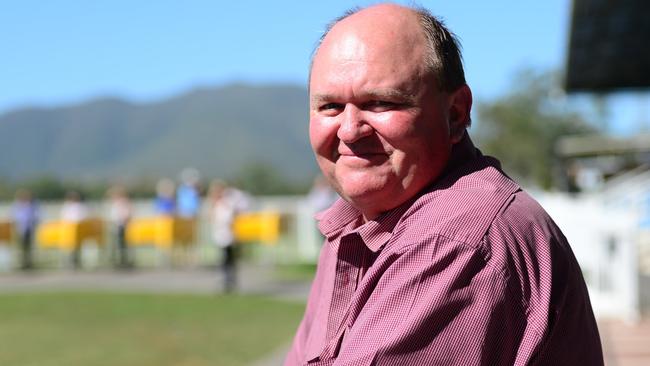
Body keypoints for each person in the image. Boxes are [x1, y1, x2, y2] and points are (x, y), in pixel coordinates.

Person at [286, 4, 603, 365]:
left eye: (380, 103)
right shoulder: (356, 222)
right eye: (330, 107)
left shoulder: (454, 239)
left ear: (455, 113)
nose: (349, 130)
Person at [207, 180, 250, 293]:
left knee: (228, 259)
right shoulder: (217, 205)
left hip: (228, 236)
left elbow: (231, 219)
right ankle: (226, 280)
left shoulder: (227, 204)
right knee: (225, 259)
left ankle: (229, 280)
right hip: (221, 235)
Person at [12, 189, 39, 270]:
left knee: (28, 247)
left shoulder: (32, 205)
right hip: (20, 229)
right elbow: (15, 216)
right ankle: (22, 263)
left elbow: (35, 216)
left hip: (28, 229)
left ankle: (28, 263)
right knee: (20, 247)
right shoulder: (17, 205)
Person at [106, 185, 133, 268]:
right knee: (115, 246)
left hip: (121, 226)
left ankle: (122, 261)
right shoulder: (116, 203)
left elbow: (126, 215)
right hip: (115, 226)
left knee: (122, 246)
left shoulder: (123, 203)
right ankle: (115, 261)